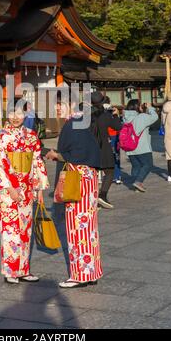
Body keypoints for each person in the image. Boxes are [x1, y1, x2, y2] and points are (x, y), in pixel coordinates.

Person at [0, 99, 49, 284]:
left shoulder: (31, 136)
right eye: (12, 113)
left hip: (27, 187)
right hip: (8, 189)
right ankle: (10, 271)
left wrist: (39, 187)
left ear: (26, 114)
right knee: (10, 230)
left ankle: (23, 269)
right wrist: (8, 187)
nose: (16, 118)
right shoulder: (0, 136)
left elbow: (37, 161)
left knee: (25, 229)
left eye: (19, 113)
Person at [46, 94, 103, 288]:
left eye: (61, 105)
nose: (58, 109)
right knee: (89, 228)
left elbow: (77, 153)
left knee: (77, 227)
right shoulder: (81, 121)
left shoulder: (74, 124)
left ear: (71, 104)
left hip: (77, 177)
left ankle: (79, 274)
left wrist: (57, 155)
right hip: (88, 177)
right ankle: (91, 272)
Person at [91, 92, 122, 209]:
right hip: (103, 146)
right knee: (109, 171)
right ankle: (102, 195)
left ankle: (90, 197)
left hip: (90, 146)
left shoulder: (87, 114)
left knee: (91, 172)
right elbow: (118, 127)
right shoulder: (106, 115)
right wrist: (115, 115)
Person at [123, 99, 158, 192]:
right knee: (148, 164)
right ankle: (138, 182)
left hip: (129, 148)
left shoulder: (125, 117)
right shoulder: (142, 117)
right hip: (142, 147)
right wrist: (150, 108)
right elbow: (155, 117)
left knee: (136, 166)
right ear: (137, 107)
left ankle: (135, 185)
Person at [104, 97, 122, 184]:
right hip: (114, 135)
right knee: (115, 156)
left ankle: (106, 176)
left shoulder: (99, 111)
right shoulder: (113, 110)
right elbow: (118, 124)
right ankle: (117, 176)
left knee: (105, 157)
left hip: (104, 136)